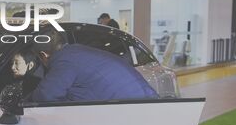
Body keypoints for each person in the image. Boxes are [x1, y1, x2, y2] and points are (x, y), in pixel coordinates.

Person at [28, 30, 158, 103]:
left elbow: (46, 96)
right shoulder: (78, 51)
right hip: (147, 102)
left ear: (43, 54)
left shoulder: (64, 61)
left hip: (129, 110)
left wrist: (25, 98)